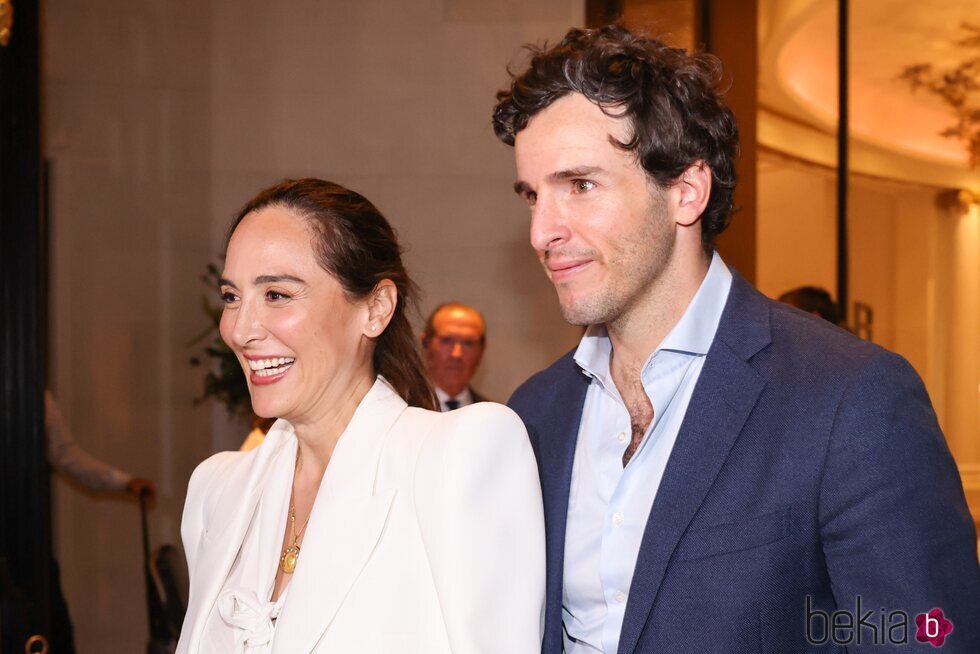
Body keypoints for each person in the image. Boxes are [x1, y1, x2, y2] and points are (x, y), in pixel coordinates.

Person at [493, 25, 979, 653]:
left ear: (686, 192)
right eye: (532, 196)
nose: (542, 232)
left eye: (580, 186)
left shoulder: (850, 399)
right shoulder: (535, 412)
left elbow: (922, 635)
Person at [176, 179, 544, 653]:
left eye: (277, 295)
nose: (240, 330)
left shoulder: (457, 457)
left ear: (375, 308)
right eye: (232, 297)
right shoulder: (217, 490)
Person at [45, 389, 156, 653]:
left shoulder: (35, 394)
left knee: (53, 627)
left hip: (24, 536)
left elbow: (65, 454)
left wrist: (124, 482)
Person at [422, 302, 489, 410]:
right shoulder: (401, 410)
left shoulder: (492, 414)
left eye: (468, 343)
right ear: (426, 343)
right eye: (447, 341)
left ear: (482, 350)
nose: (456, 354)